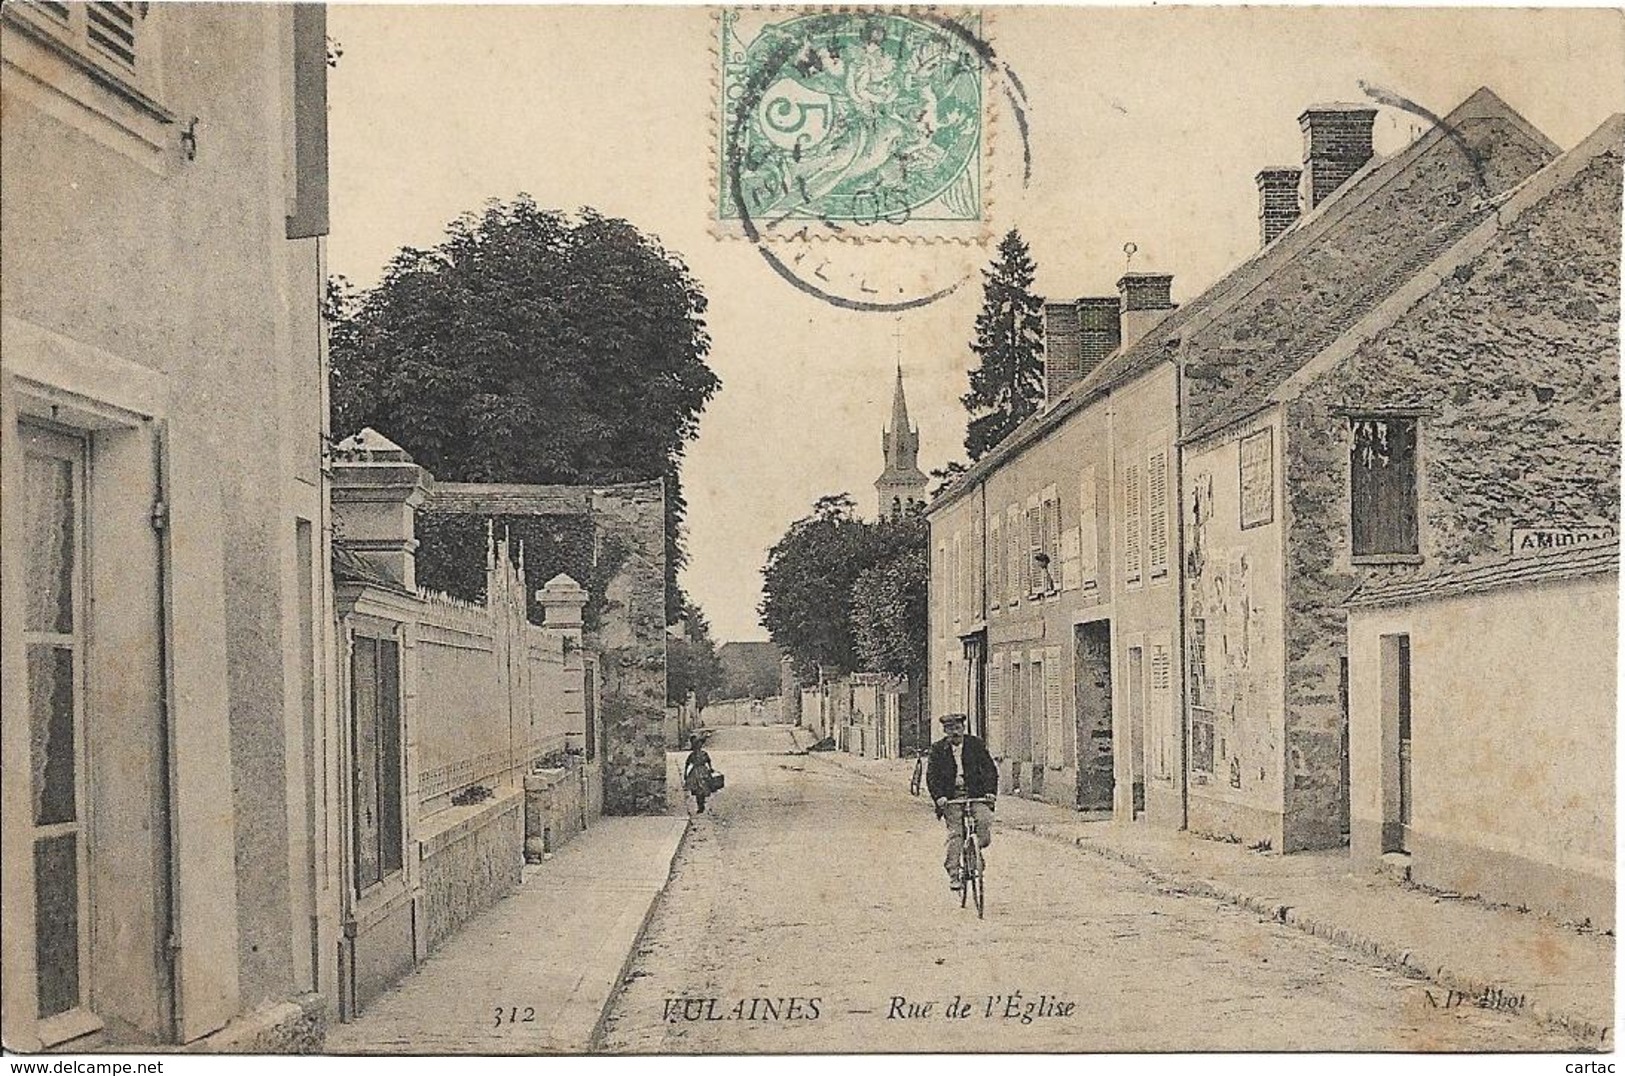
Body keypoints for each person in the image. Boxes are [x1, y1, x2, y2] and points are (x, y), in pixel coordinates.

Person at [925, 713, 998, 892]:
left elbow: (989, 769)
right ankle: (954, 873)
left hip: (976, 794)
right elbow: (932, 777)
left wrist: (990, 792)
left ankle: (975, 851)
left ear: (963, 729)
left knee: (984, 821)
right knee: (956, 834)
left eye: (957, 728)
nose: (955, 733)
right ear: (945, 731)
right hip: (952, 797)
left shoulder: (975, 745)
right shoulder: (938, 749)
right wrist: (939, 797)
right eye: (950, 729)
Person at [683, 734, 716, 814]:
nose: (698, 747)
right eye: (696, 745)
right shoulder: (692, 755)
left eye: (699, 745)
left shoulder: (704, 754)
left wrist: (711, 768)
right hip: (696, 773)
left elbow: (708, 761)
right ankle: (700, 805)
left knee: (703, 789)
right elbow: (687, 764)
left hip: (703, 772)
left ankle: (702, 803)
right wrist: (685, 773)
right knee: (697, 790)